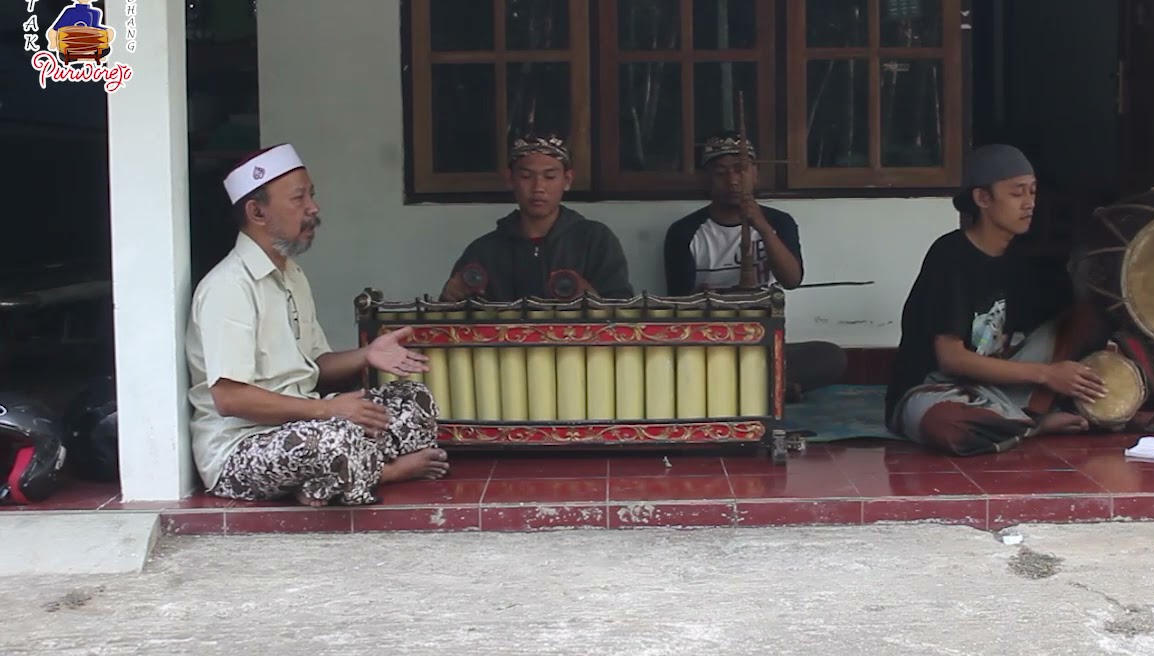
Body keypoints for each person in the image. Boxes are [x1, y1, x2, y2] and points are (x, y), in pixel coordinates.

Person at [186, 143, 449, 507]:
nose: (313, 207)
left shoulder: (292, 274)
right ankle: (385, 472)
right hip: (242, 450)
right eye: (299, 198)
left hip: (305, 424)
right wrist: (327, 410)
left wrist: (367, 355)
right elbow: (229, 398)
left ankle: (326, 481)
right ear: (257, 211)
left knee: (412, 401)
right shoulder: (229, 287)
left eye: (311, 194)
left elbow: (316, 365)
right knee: (337, 437)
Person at [884, 144, 1112, 456]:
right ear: (982, 199)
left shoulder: (1017, 258)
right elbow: (952, 359)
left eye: (1032, 192)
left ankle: (1017, 419)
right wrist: (1047, 375)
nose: (1029, 203)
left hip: (996, 382)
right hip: (938, 390)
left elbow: (1037, 334)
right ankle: (1034, 424)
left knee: (1088, 317)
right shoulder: (950, 256)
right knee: (951, 427)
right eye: (1017, 193)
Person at [663, 131, 846, 399]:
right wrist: (729, 299)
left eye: (740, 170)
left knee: (831, 357)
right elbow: (677, 305)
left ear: (755, 173)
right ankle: (768, 388)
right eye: (721, 172)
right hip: (710, 346)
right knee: (674, 363)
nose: (733, 180)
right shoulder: (685, 232)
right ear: (708, 179)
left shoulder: (779, 222)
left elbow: (792, 280)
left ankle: (747, 387)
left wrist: (760, 224)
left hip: (764, 343)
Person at [439, 131, 633, 302]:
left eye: (550, 177)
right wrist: (450, 297)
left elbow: (622, 315)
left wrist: (590, 298)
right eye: (526, 176)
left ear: (567, 180)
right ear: (510, 179)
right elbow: (452, 324)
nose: (538, 187)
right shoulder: (484, 251)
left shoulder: (595, 240)